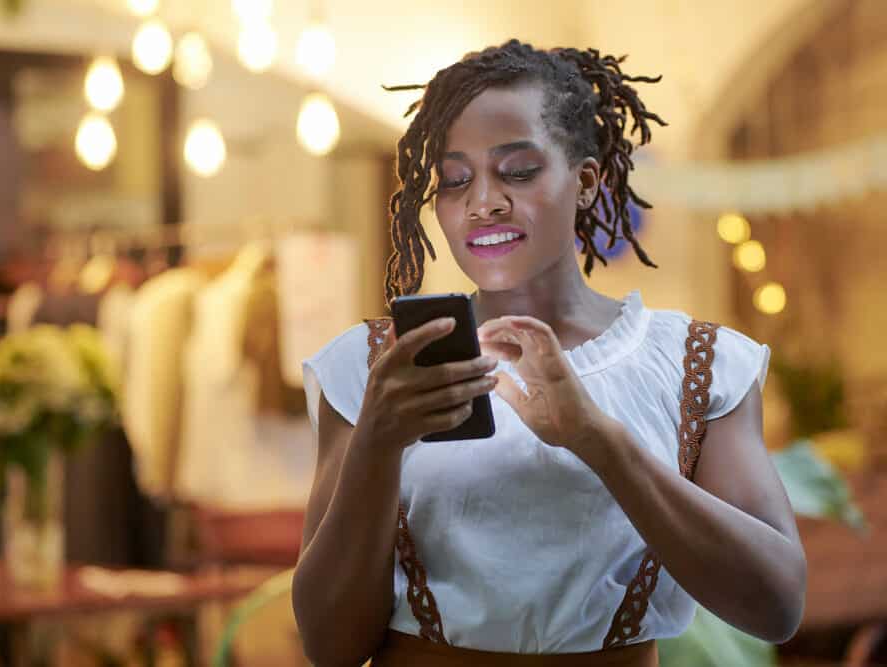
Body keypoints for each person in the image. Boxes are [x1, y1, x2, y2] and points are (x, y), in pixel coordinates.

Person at [291, 41, 806, 666]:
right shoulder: (376, 368)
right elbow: (328, 647)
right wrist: (376, 443)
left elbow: (777, 605)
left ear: (585, 180)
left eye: (518, 171)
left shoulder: (694, 364)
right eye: (455, 180)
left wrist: (596, 439)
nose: (483, 201)